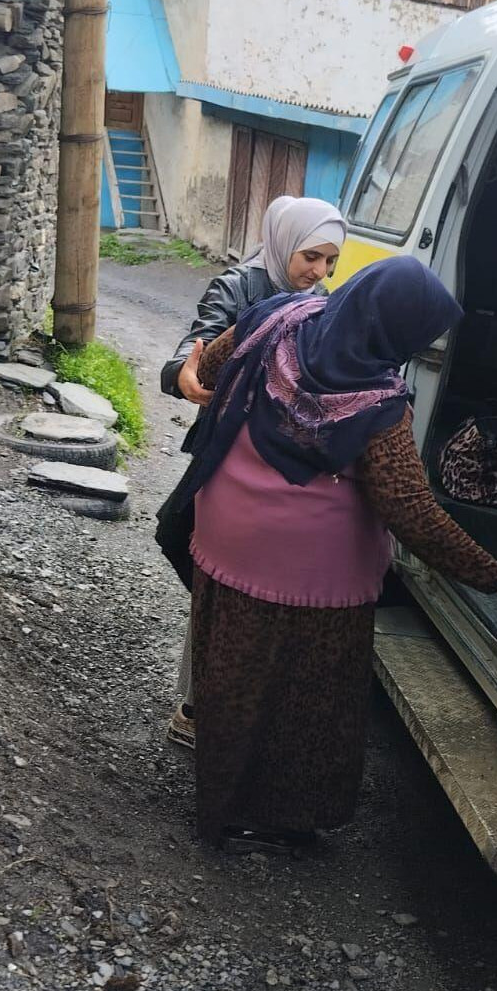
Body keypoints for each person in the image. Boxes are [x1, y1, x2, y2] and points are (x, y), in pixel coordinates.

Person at [171, 256, 497, 854]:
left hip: (226, 535)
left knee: (231, 675)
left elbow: (208, 364)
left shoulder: (276, 317)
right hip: (310, 575)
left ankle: (217, 799)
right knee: (304, 698)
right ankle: (276, 820)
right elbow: (410, 510)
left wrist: (190, 370)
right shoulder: (377, 403)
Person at [162, 195, 347, 748]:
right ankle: (200, 701)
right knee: (187, 546)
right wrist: (183, 375)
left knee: (240, 578)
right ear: (286, 241)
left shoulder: (325, 304)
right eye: (311, 256)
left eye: (330, 262)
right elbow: (191, 348)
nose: (318, 272)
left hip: (283, 461)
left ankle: (204, 707)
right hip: (226, 451)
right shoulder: (240, 287)